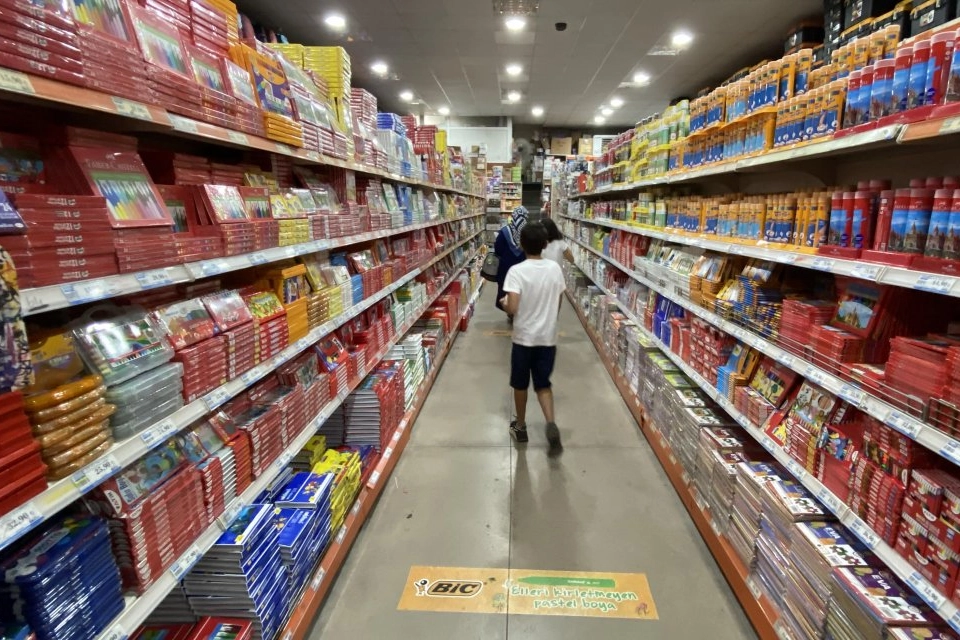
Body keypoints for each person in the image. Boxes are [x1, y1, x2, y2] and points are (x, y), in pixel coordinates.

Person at [499, 222, 567, 454]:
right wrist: (550, 318)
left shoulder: (517, 271)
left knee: (520, 384)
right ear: (545, 244)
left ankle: (520, 426)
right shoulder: (554, 269)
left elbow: (513, 307)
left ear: (522, 244)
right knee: (543, 384)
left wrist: (504, 303)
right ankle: (551, 423)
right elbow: (559, 299)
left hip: (524, 339)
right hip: (547, 338)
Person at [493, 206, 528, 321]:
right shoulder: (528, 232)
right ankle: (519, 311)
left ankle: (510, 311)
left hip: (506, 267)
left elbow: (497, 249)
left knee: (507, 289)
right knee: (521, 290)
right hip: (523, 267)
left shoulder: (504, 231)